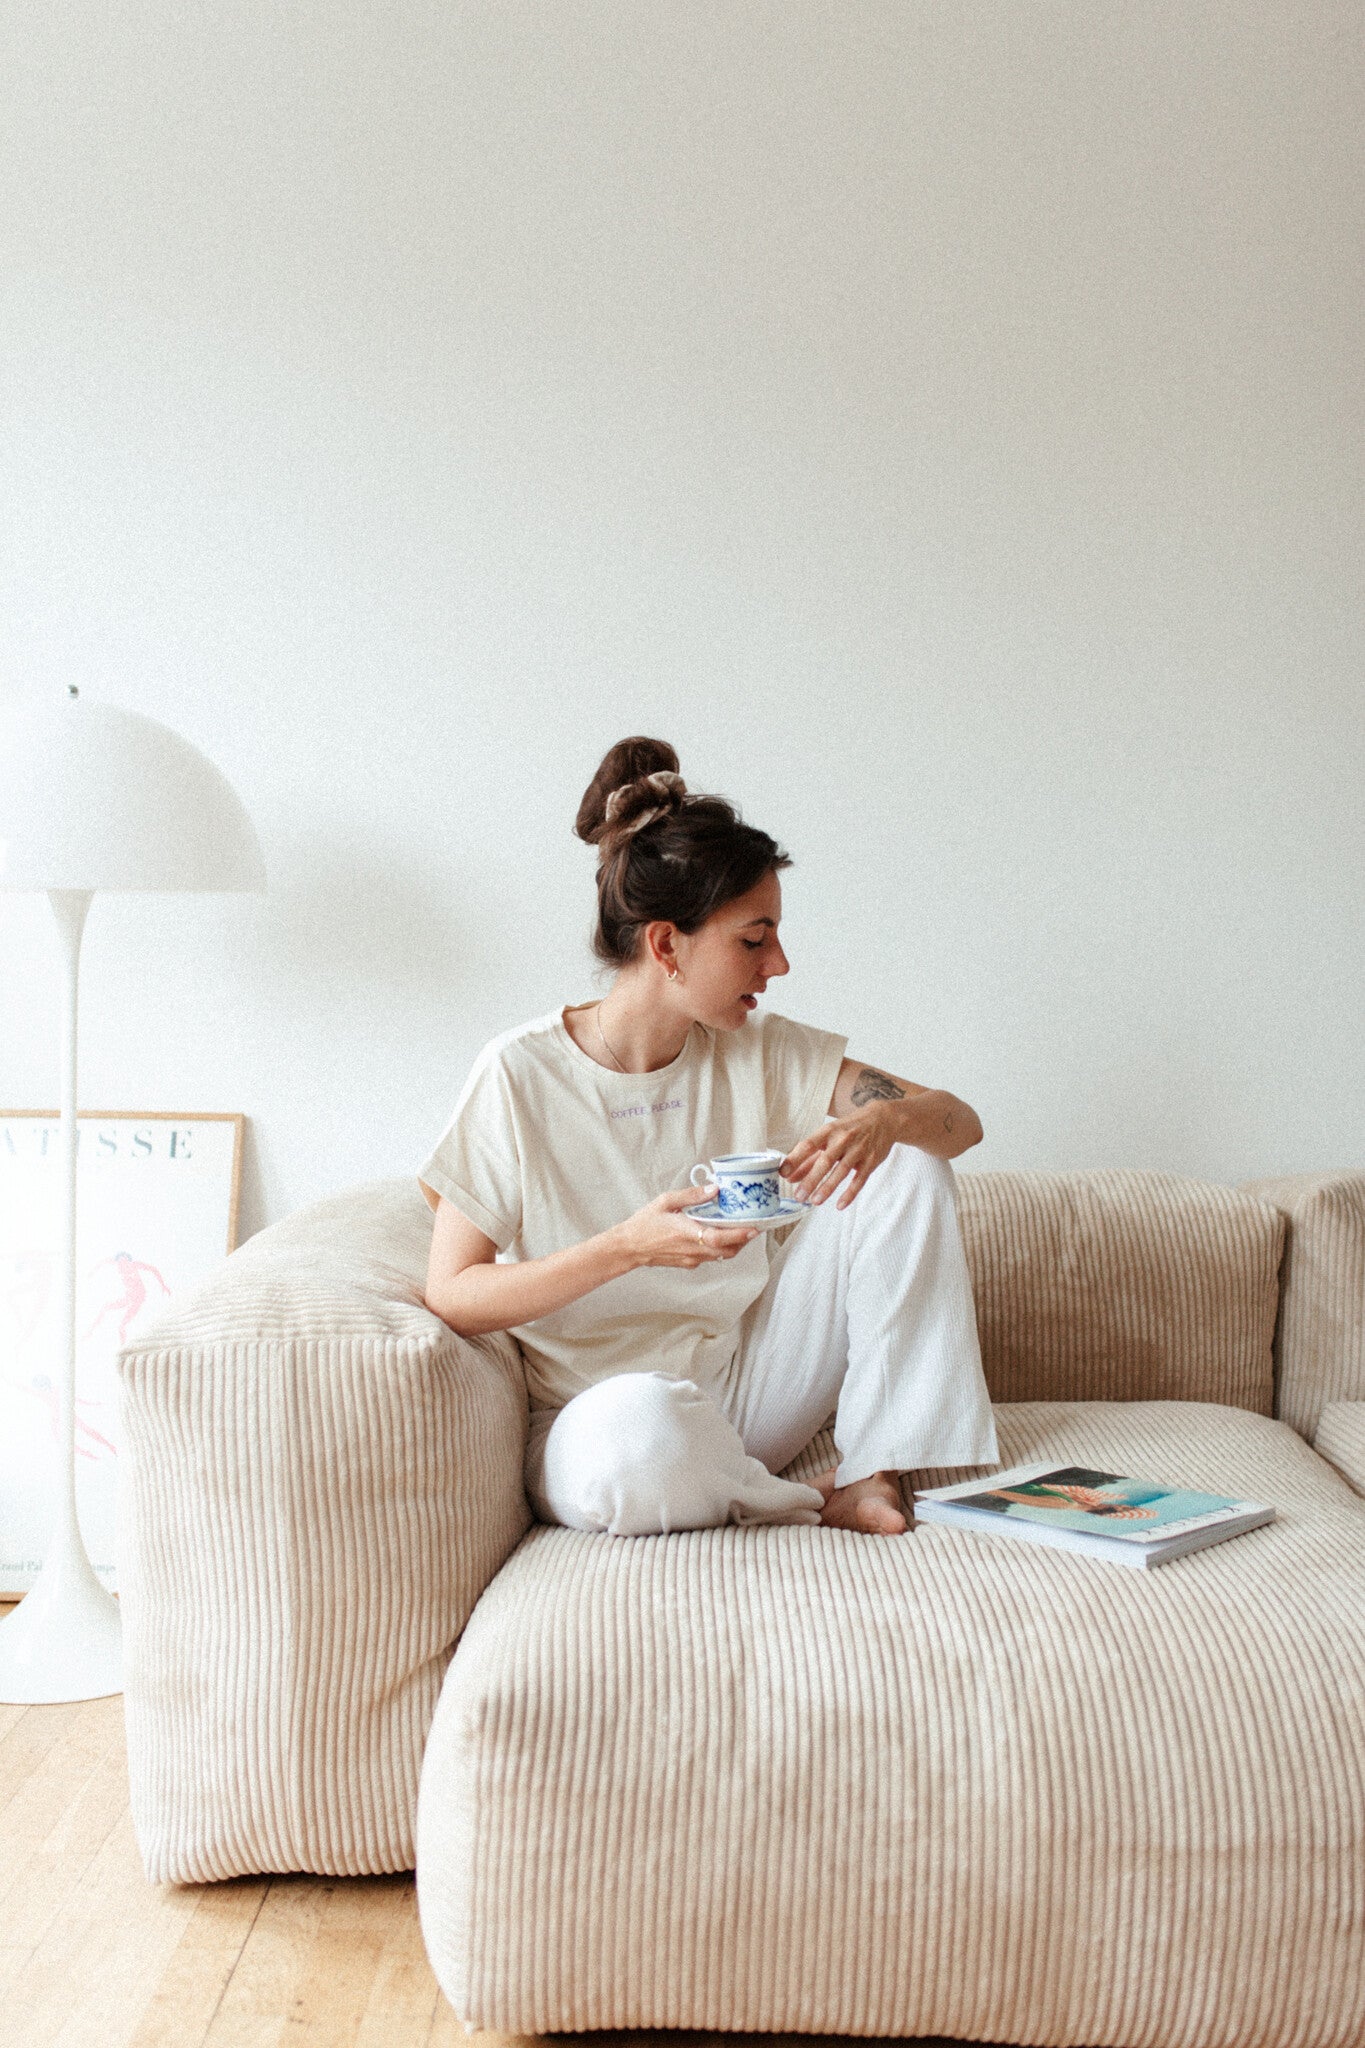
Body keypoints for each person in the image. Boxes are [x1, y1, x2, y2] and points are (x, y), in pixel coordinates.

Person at [418, 735, 999, 1538]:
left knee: (906, 1164)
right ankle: (797, 1500)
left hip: (747, 1386)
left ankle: (871, 1470)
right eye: (752, 940)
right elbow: (452, 1293)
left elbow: (957, 1127)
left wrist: (888, 1119)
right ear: (665, 945)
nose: (780, 964)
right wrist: (625, 1246)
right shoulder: (519, 1074)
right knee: (638, 1439)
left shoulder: (760, 1049)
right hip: (598, 1416)